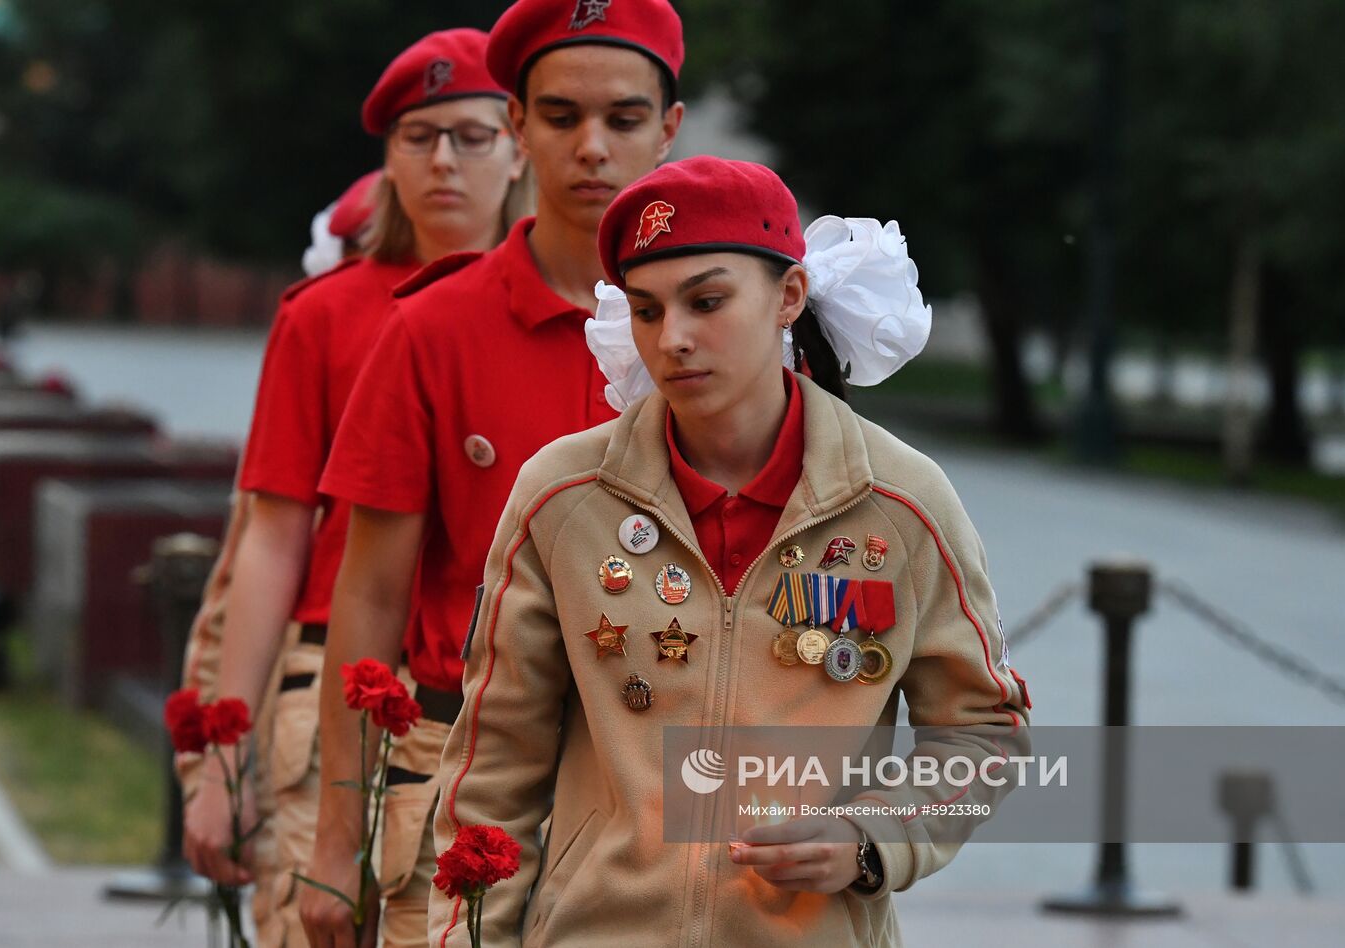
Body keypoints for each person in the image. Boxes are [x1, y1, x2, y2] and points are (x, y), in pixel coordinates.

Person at [425, 156, 1033, 947]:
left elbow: (985, 732)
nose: (672, 339)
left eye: (706, 301)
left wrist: (871, 839)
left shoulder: (902, 502)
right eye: (645, 310)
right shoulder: (562, 497)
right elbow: (493, 767)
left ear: (788, 298)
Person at [302, 1, 686, 945]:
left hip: (668, 789)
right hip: (458, 786)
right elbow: (370, 594)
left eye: (624, 118)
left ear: (670, 128)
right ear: (517, 125)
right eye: (561, 117)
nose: (592, 146)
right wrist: (336, 839)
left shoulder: (721, 331)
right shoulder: (430, 328)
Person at [179, 28, 526, 948]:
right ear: (387, 158)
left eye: (471, 135)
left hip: (487, 692)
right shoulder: (323, 314)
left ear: (519, 144)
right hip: (331, 673)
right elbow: (269, 539)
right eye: (419, 138)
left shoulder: (584, 312)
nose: (443, 160)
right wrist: (226, 749)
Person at [176, 165, 382, 945]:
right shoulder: (329, 316)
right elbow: (252, 561)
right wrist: (219, 770)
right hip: (327, 683)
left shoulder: (613, 326)